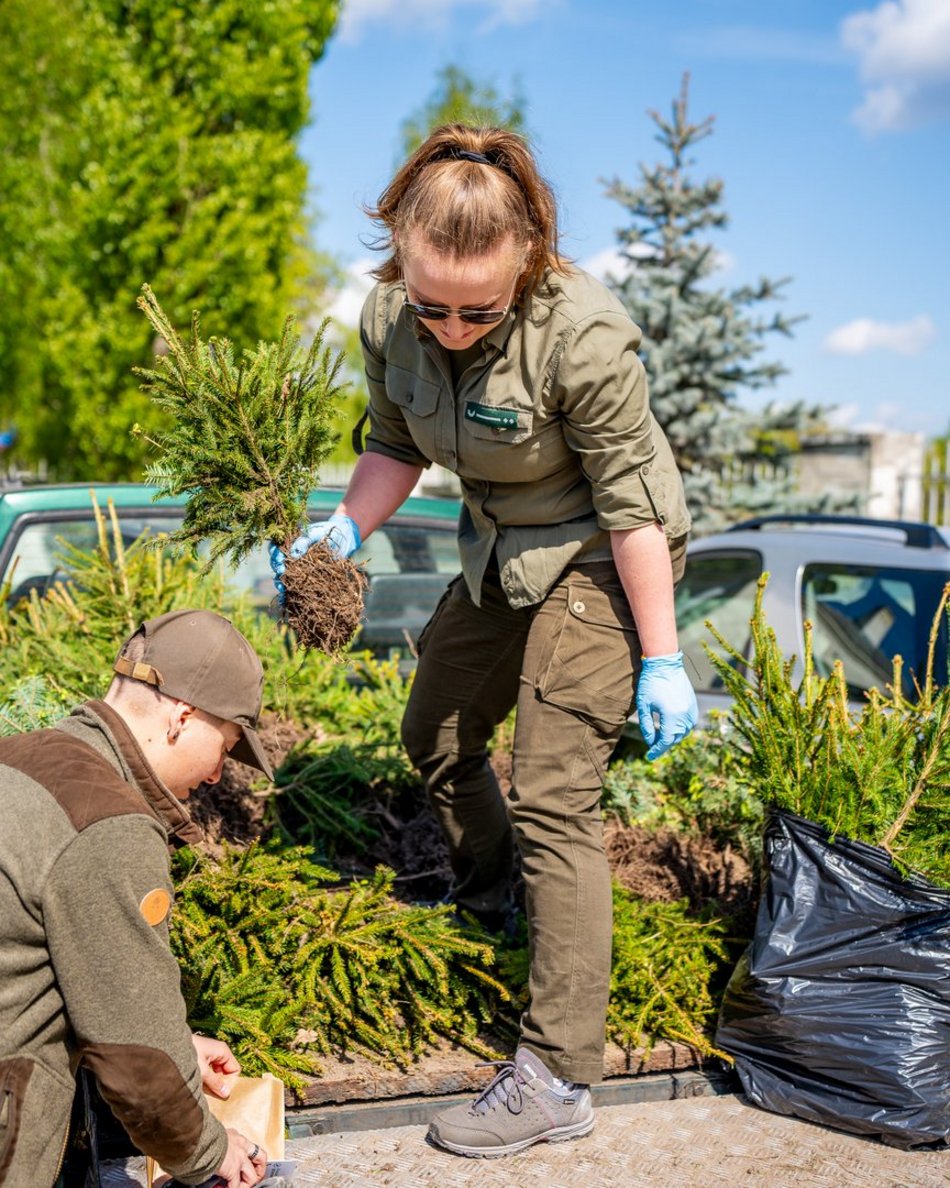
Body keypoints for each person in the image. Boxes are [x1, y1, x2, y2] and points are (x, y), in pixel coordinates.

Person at [272, 124, 698, 1157]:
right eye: (432, 307)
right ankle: (497, 899)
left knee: (555, 788)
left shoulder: (583, 335)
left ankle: (556, 1074)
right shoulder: (386, 321)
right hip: (500, 551)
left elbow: (634, 509)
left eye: (479, 310)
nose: (452, 328)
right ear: (399, 262)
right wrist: (342, 529)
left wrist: (661, 655)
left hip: (604, 554)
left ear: (528, 259)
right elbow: (390, 444)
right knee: (436, 736)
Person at [0, 610, 275, 1188]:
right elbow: (134, 1052)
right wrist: (207, 1153)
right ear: (182, 715)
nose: (216, 775)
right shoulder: (110, 824)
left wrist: (177, 1044)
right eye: (223, 747)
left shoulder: (19, 756)